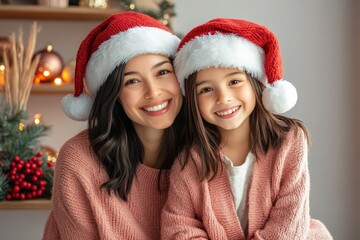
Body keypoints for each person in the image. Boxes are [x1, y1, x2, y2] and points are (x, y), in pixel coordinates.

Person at [161, 18, 333, 239]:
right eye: (206, 89)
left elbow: (288, 222)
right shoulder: (190, 162)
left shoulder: (289, 141)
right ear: (192, 99)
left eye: (234, 82)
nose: (223, 98)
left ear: (255, 84)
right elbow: (178, 227)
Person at [43, 12, 184, 240]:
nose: (153, 92)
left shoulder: (206, 149)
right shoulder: (80, 161)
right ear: (114, 94)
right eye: (132, 81)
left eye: (163, 72)